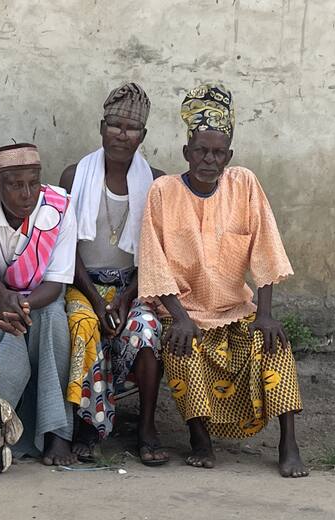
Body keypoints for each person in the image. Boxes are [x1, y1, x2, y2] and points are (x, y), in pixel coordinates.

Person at [138, 83, 309, 477]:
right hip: (185, 310)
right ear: (187, 152)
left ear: (229, 156)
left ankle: (289, 443)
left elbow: (266, 248)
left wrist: (264, 314)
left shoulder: (244, 184)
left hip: (236, 308)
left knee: (274, 345)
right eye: (201, 150)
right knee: (181, 348)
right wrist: (179, 317)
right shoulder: (163, 192)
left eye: (218, 153)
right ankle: (200, 439)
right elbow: (154, 261)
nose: (209, 160)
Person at [58, 83, 168, 465]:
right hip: (83, 285)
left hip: (134, 288)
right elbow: (66, 249)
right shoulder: (74, 176)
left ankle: (147, 426)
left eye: (131, 128)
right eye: (115, 125)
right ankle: (89, 426)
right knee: (84, 326)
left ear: (143, 136)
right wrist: (95, 299)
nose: (122, 134)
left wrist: (124, 299)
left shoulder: (157, 183)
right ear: (101, 128)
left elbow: (156, 255)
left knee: (146, 330)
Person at [0, 143, 78, 466]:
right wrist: (6, 300)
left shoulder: (59, 206)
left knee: (54, 320)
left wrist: (20, 306)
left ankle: (55, 433)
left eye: (33, 183)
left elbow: (56, 283)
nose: (27, 194)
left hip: (41, 296)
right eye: (15, 185)